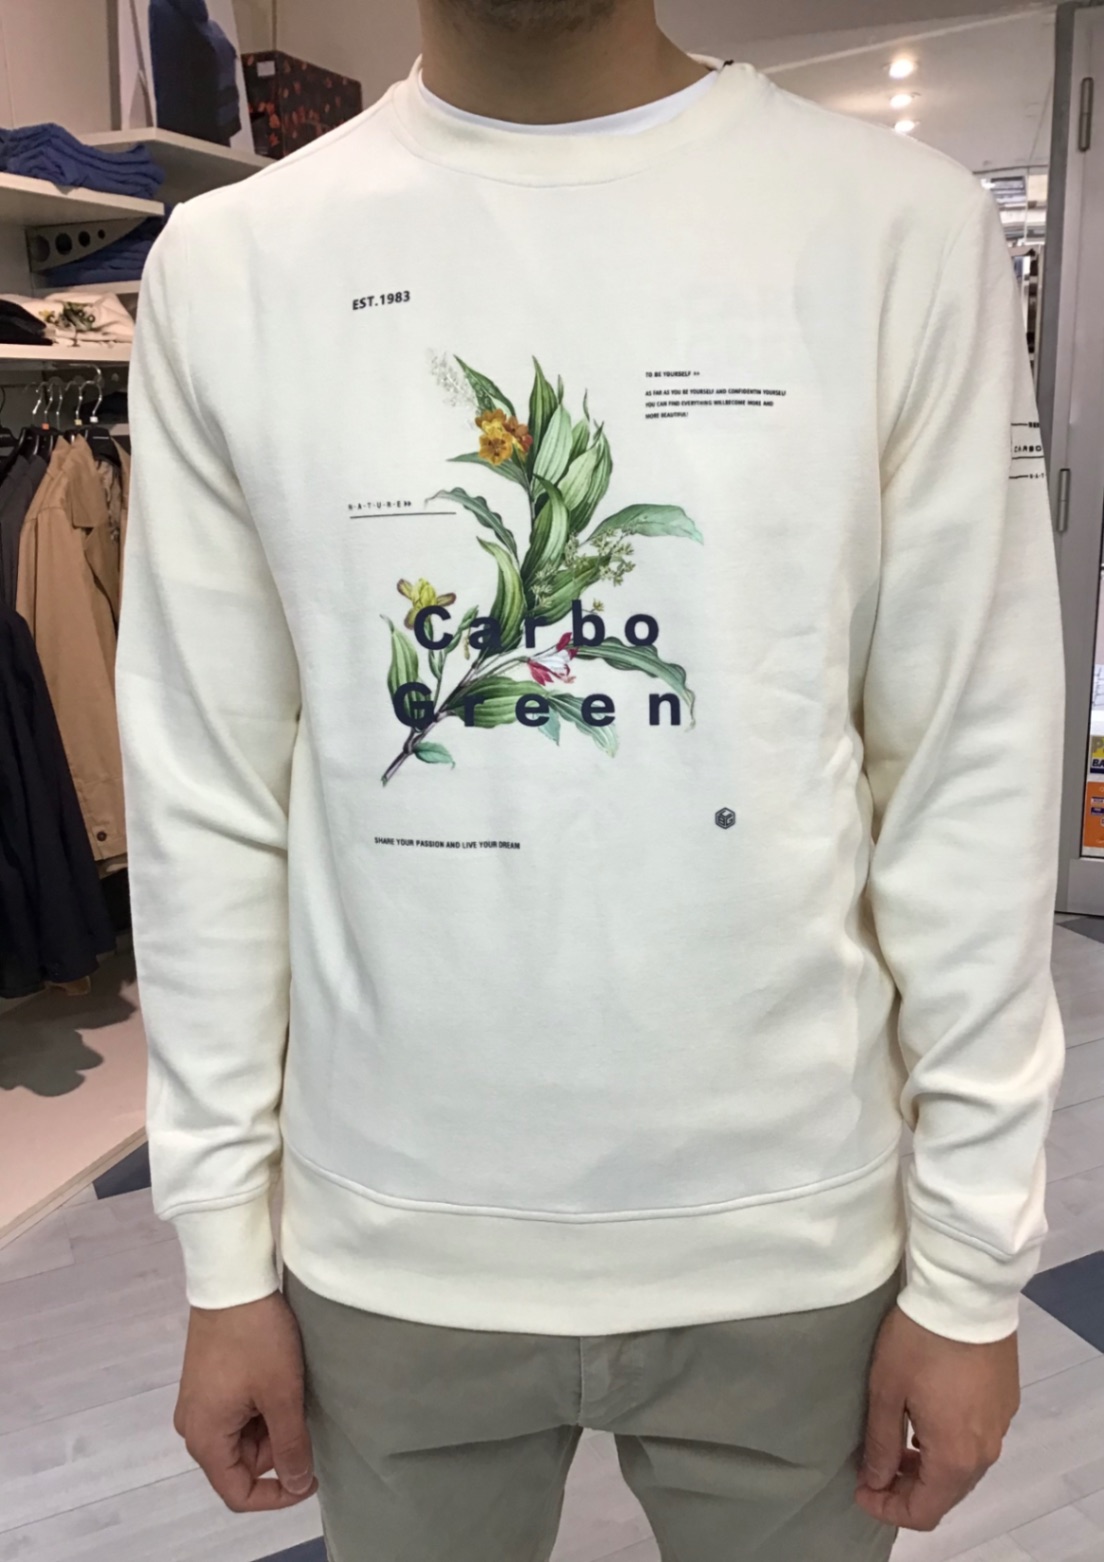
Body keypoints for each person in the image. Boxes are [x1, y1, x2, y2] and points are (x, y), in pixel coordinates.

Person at [114, 1, 1066, 1558]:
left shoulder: (901, 232)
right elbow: (204, 798)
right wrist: (223, 1256)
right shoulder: (230, 267)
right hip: (389, 1250)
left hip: (795, 1238)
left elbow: (969, 770)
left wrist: (970, 1271)